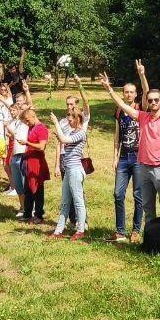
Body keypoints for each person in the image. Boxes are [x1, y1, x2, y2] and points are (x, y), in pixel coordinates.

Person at [100, 60, 160, 253]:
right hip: (143, 168)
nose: (152, 102)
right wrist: (109, 88)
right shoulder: (143, 117)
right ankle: (150, 243)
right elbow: (122, 106)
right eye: (150, 100)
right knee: (148, 208)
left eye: (155, 100)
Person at [50, 97, 89, 239]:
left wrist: (56, 123)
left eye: (71, 120)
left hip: (75, 170)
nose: (69, 122)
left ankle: (80, 229)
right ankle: (58, 231)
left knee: (78, 200)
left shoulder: (81, 133)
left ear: (77, 119)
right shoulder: (72, 132)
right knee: (65, 201)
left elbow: (65, 140)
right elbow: (63, 140)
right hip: (68, 169)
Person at [112, 80, 145, 243]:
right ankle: (120, 230)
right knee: (118, 194)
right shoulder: (119, 111)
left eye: (132, 92)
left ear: (136, 94)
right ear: (123, 94)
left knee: (138, 195)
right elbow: (117, 136)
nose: (129, 94)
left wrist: (142, 75)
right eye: (126, 92)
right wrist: (115, 158)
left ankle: (136, 230)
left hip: (139, 157)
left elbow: (147, 91)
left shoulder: (141, 109)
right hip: (124, 158)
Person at [21, 108, 50, 223]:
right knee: (28, 188)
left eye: (28, 120)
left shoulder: (41, 128)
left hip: (37, 162)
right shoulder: (31, 127)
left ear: (33, 116)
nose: (27, 123)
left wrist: (27, 143)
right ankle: (27, 213)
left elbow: (42, 146)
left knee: (37, 189)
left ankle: (39, 215)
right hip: (29, 161)